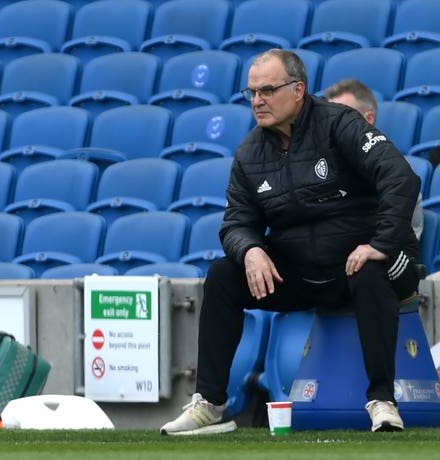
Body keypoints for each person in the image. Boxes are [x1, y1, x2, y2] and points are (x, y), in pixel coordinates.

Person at [160, 49, 421, 435]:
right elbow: (236, 222)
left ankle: (383, 401)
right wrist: (250, 250)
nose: (257, 101)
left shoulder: (339, 124)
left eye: (267, 90)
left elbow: (401, 176)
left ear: (298, 90)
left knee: (371, 270)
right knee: (221, 276)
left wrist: (380, 243)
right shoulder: (250, 152)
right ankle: (210, 404)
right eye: (251, 93)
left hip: (362, 263)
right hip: (303, 275)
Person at [324, 78, 424, 241]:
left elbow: (400, 240)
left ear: (369, 119)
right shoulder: (321, 166)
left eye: (342, 118)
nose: (332, 125)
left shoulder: (396, 170)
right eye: (330, 117)